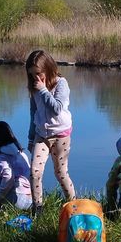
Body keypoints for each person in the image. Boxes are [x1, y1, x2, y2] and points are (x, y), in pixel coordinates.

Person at [26, 50, 75, 216]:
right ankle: (37, 208)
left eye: (38, 73)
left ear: (48, 68)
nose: (36, 78)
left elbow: (57, 109)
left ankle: (73, 205)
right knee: (34, 172)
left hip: (61, 135)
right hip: (41, 135)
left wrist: (43, 90)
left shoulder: (61, 84)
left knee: (60, 173)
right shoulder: (34, 88)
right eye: (32, 74)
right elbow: (33, 113)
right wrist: (31, 138)